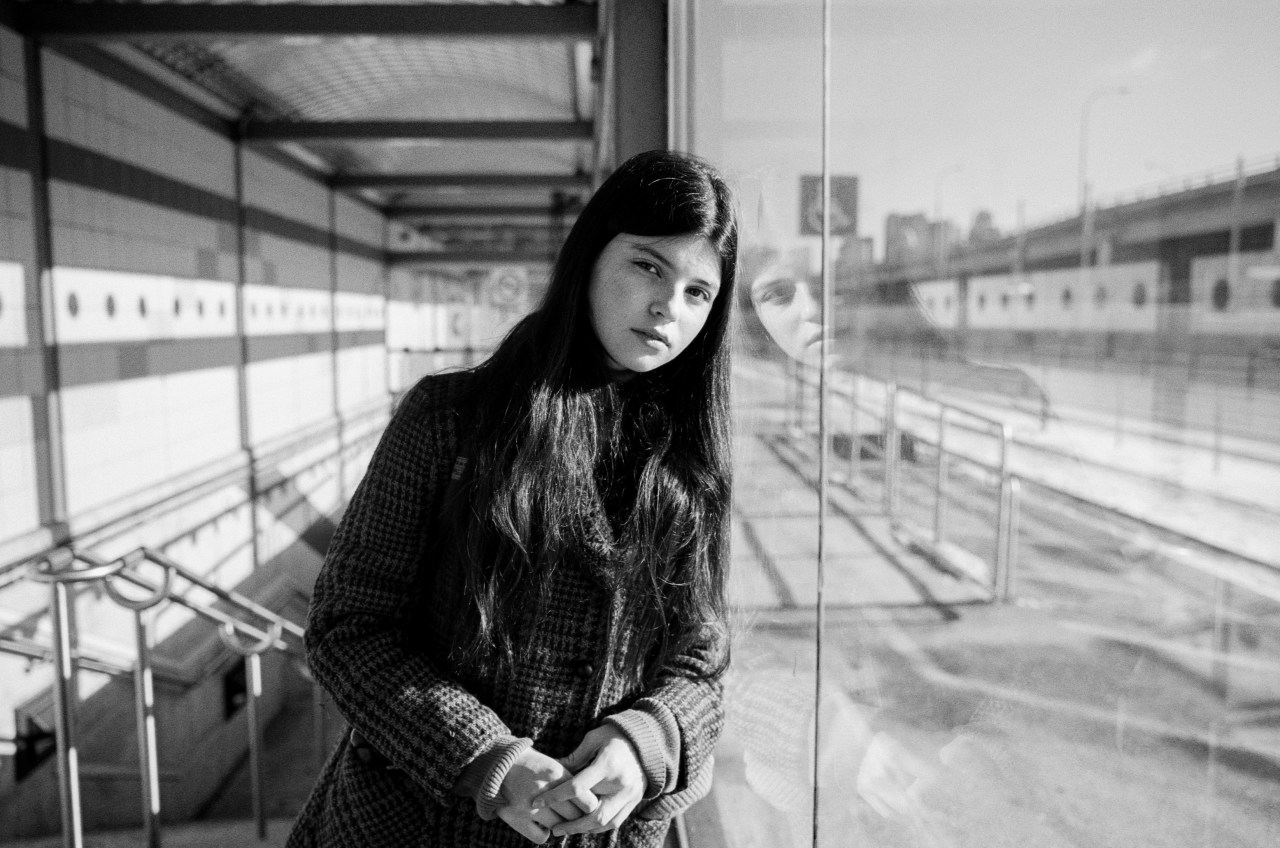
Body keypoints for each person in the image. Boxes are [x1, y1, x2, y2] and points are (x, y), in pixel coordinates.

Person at [287, 149, 738, 848]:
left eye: (696, 292)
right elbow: (349, 630)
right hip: (413, 828)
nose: (666, 307)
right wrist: (490, 761)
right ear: (589, 257)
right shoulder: (451, 418)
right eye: (647, 266)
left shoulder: (689, 461)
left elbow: (701, 655)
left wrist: (642, 742)